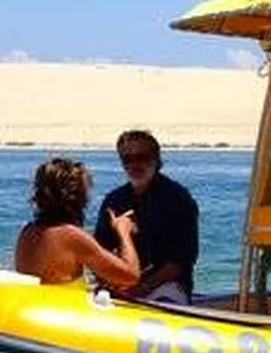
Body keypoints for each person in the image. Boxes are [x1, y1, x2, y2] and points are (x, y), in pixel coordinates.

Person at [93, 128, 201, 305]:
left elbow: (179, 263)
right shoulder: (114, 200)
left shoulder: (178, 199)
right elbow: (99, 251)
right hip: (122, 284)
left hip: (166, 287)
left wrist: (138, 290)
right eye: (127, 159)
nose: (134, 165)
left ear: (157, 160)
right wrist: (108, 282)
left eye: (142, 157)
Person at [16, 157, 141, 290]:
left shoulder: (27, 231)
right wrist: (123, 230)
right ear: (78, 197)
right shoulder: (71, 236)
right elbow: (131, 276)